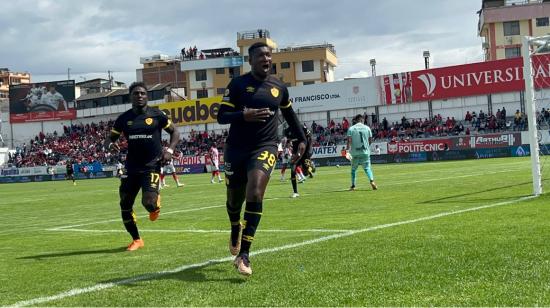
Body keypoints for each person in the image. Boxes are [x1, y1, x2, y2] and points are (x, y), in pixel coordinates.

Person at [217, 42, 306, 276]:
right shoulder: (237, 85)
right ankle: (235, 226)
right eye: (260, 56)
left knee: (255, 192)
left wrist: (301, 139)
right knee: (234, 202)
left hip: (264, 147)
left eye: (268, 55)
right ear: (251, 60)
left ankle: (244, 254)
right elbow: (221, 116)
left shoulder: (278, 86)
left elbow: (289, 113)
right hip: (236, 149)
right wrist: (243, 115)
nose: (266, 59)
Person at [104, 81, 180, 251]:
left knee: (149, 204)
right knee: (125, 203)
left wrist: (169, 149)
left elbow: (175, 131)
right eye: (136, 93)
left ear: (147, 96)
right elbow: (109, 139)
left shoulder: (157, 115)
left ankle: (155, 202)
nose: (139, 96)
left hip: (151, 166)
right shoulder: (124, 119)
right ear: (130, 97)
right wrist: (109, 145)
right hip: (131, 168)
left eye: (142, 93)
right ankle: (137, 239)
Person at [346, 114, 377, 191]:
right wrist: (366, 146)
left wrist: (347, 150)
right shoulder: (367, 128)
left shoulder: (351, 129)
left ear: (356, 120)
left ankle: (353, 186)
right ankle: (372, 181)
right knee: (367, 168)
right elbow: (370, 140)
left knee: (353, 170)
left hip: (354, 153)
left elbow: (349, 140)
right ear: (362, 120)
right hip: (365, 152)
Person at [288, 127, 313, 198]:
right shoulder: (287, 131)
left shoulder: (302, 127)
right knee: (293, 171)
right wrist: (291, 151)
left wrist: (309, 149)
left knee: (307, 171)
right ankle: (295, 192)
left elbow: (310, 137)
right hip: (296, 153)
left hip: (305, 153)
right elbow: (289, 142)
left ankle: (311, 167)